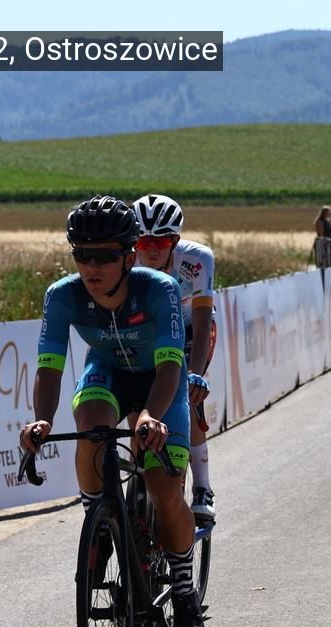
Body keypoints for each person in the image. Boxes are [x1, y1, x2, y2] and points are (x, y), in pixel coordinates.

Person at [19, 195, 206, 627]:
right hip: (107, 372)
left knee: (164, 489)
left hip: (160, 379)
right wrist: (41, 420)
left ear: (128, 257)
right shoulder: (62, 296)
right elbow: (49, 367)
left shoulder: (158, 288)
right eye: (81, 254)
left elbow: (170, 365)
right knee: (91, 427)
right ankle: (99, 521)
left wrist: (151, 415)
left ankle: (184, 591)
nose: (91, 266)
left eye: (103, 256)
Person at [132, 194, 218, 525]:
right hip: (152, 334)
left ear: (176, 241)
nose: (151, 249)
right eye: (144, 241)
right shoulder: (127, 262)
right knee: (138, 400)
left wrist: (195, 373)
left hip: (190, 330)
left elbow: (203, 318)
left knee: (187, 397)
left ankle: (202, 488)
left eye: (162, 241)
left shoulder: (197, 260)